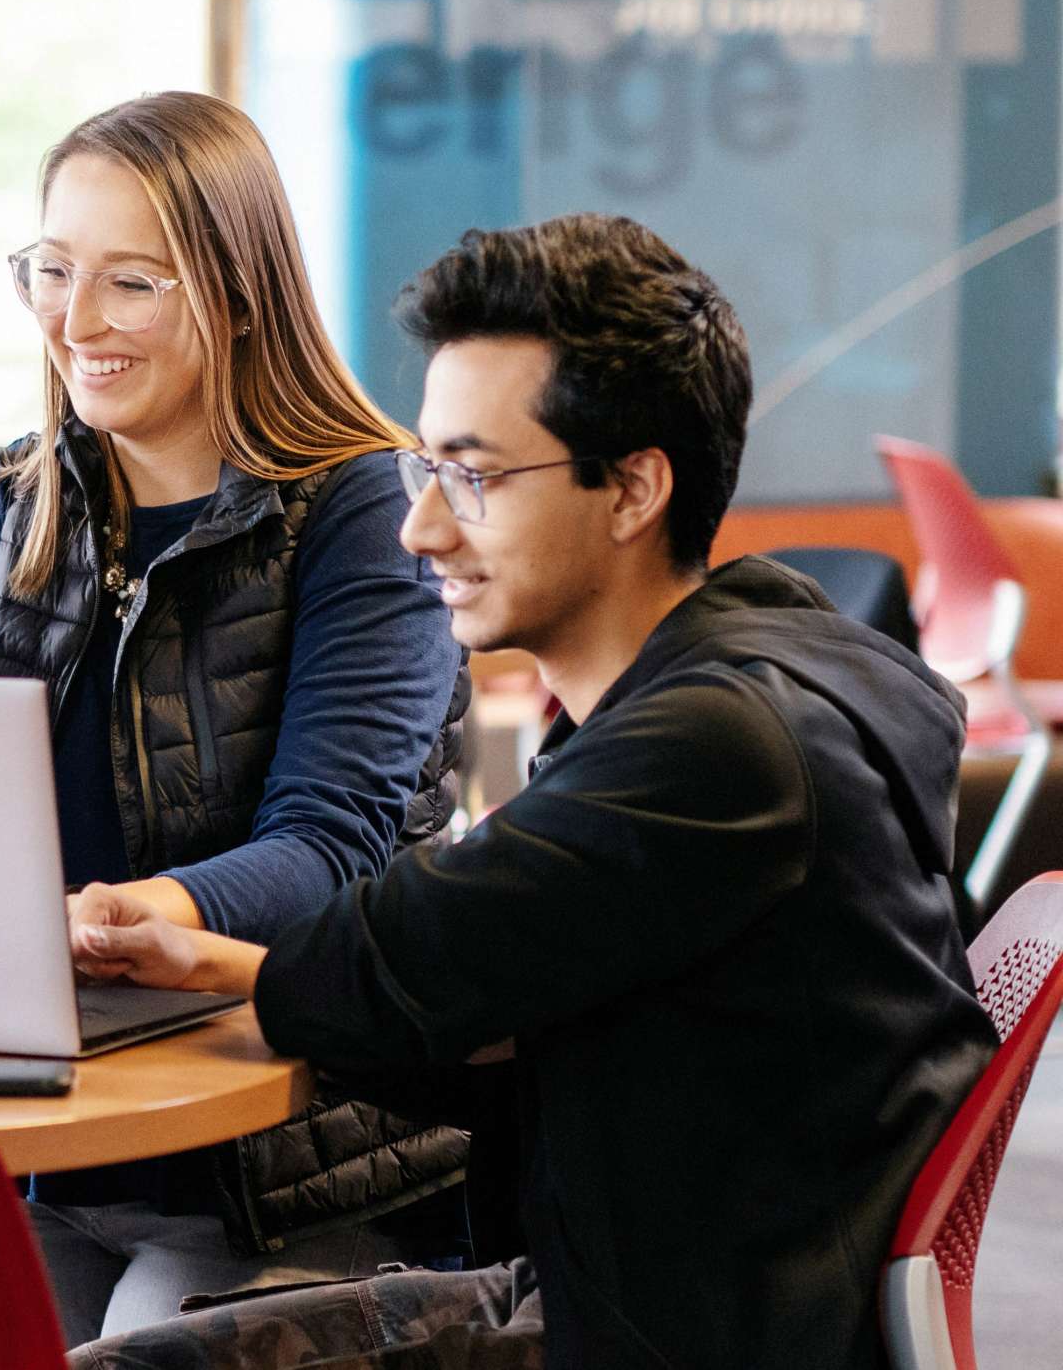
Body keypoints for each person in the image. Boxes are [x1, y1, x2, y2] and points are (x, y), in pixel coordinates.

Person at [66, 213, 997, 1370]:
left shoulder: (713, 744)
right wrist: (202, 956)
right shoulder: (773, 661)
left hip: (657, 1334)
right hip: (660, 1285)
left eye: (473, 475)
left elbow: (397, 958)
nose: (420, 526)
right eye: (425, 467)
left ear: (633, 489)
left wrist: (203, 951)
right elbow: (446, 965)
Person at [0, 92, 472, 1345]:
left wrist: (128, 917)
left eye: (132, 284)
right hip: (40, 1129)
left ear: (239, 292)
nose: (76, 321)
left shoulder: (363, 513)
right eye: (53, 271)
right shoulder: (4, 512)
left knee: (141, 1353)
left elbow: (333, 853)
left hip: (271, 1158)